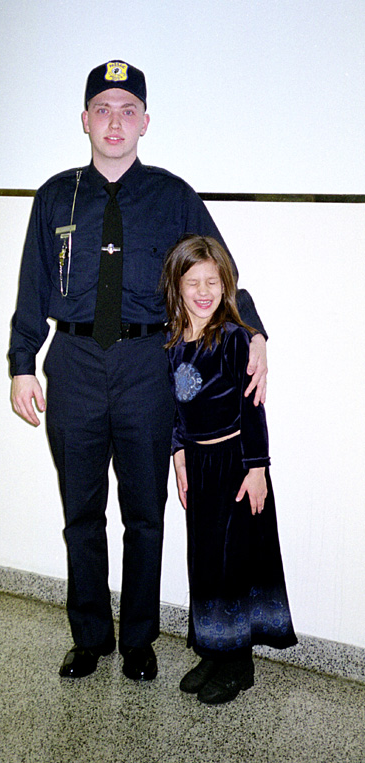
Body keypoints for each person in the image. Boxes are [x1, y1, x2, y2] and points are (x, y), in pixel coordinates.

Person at [9, 60, 268, 681]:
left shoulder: (173, 195)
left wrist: (253, 329)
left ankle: (140, 640)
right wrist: (23, 364)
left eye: (128, 110)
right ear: (85, 120)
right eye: (103, 109)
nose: (115, 121)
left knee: (145, 512)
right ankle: (90, 635)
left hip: (149, 366)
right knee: (82, 511)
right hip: (71, 363)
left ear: (145, 121)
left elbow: (219, 270)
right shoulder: (55, 196)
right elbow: (31, 285)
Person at [162, 234, 297, 704]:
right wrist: (179, 457)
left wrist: (256, 468)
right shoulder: (174, 343)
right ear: (177, 287)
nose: (203, 291)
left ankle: (238, 664)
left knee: (233, 563)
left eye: (212, 282)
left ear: (226, 286)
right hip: (198, 467)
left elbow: (252, 409)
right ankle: (213, 650)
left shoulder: (234, 339)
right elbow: (176, 413)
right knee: (204, 563)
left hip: (236, 466)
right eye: (192, 282)